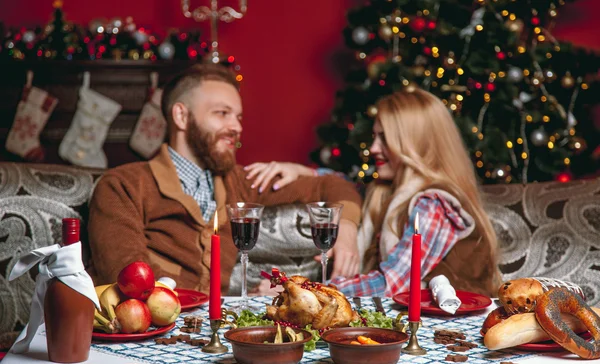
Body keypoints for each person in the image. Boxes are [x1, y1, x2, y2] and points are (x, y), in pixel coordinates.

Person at [88, 63, 362, 294]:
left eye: (239, 117)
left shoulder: (241, 181)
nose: (237, 127)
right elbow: (129, 280)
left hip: (217, 332)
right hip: (157, 331)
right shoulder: (124, 185)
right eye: (222, 114)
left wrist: (347, 228)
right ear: (181, 116)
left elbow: (336, 186)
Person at [246, 87, 503, 297]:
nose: (373, 148)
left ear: (414, 144)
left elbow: (392, 283)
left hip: (454, 329)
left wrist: (299, 290)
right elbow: (345, 184)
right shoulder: (388, 194)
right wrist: (302, 171)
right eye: (374, 137)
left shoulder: (433, 204)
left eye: (384, 138)